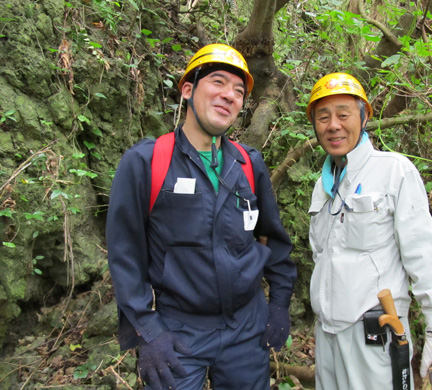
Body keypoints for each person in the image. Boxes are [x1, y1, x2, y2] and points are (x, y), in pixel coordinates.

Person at [106, 43, 296, 390]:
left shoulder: (248, 165)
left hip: (245, 330)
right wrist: (148, 333)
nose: (230, 95)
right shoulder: (147, 162)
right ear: (188, 90)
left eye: (239, 91)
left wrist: (279, 304)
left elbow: (275, 242)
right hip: (178, 332)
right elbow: (125, 256)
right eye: (218, 82)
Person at [306, 72, 432, 389]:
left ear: (363, 117)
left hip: (376, 334)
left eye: (343, 114)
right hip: (327, 335)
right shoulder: (321, 186)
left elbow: (423, 253)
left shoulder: (394, 170)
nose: (333, 125)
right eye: (323, 117)